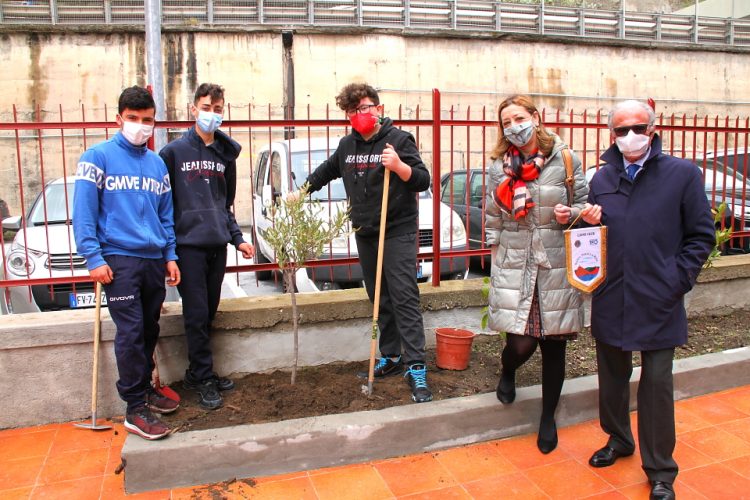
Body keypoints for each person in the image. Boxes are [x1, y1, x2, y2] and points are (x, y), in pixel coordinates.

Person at [582, 99, 714, 500]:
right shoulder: (601, 178)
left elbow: (701, 236)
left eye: (637, 128)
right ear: (612, 134)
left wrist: (677, 280)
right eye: (621, 130)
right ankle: (619, 438)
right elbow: (596, 236)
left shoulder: (682, 174)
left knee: (656, 384)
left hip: (660, 297)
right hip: (612, 293)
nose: (630, 136)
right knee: (612, 377)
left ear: (652, 130)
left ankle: (660, 470)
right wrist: (587, 223)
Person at [297, 82, 433, 403]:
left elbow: (422, 179)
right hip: (365, 231)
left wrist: (399, 166)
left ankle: (416, 365)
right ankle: (391, 356)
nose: (358, 114)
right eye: (352, 111)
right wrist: (301, 192)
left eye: (364, 108)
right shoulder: (348, 145)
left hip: (396, 230)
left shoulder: (399, 140)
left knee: (403, 297)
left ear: (378, 109)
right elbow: (326, 171)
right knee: (379, 298)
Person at [484, 94, 596, 454]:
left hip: (555, 262)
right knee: (520, 343)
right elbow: (493, 216)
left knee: (553, 346)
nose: (514, 127)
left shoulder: (566, 158)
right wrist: (495, 258)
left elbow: (584, 205)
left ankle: (548, 417)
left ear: (535, 117)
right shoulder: (498, 166)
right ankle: (509, 369)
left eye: (519, 118)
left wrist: (571, 214)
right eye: (506, 123)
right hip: (515, 260)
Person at [73, 86, 181, 440]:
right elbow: (84, 213)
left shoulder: (157, 164)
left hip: (152, 260)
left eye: (147, 119)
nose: (140, 125)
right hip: (118, 260)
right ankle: (135, 408)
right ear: (118, 118)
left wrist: (169, 256)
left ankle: (145, 389)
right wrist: (93, 257)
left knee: (149, 329)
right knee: (131, 332)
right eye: (132, 118)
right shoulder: (97, 158)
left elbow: (165, 215)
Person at [159, 83, 254, 410]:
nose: (211, 114)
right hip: (188, 248)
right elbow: (164, 206)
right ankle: (203, 377)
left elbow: (224, 204)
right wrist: (169, 253)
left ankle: (195, 372)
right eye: (205, 107)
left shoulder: (226, 153)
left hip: (217, 245)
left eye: (217, 109)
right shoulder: (173, 153)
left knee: (209, 311)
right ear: (193, 109)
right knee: (196, 313)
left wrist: (238, 239)